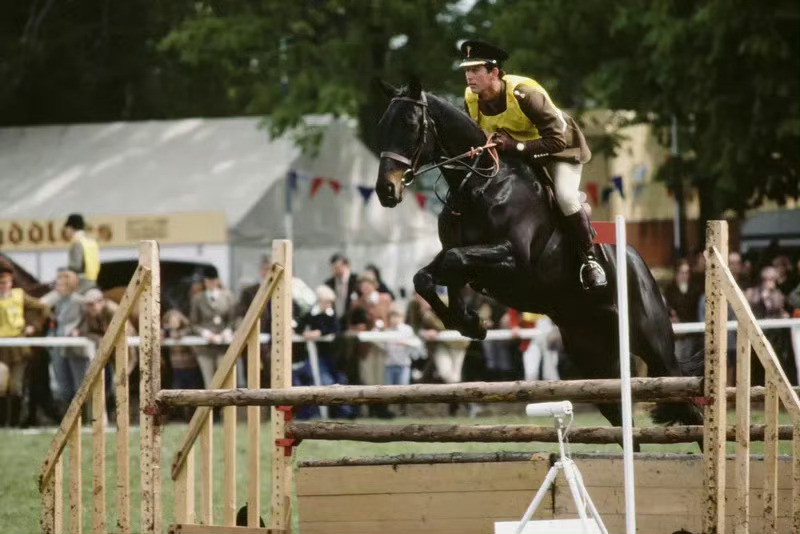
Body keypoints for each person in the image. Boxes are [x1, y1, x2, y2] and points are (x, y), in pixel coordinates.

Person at [458, 40, 601, 290]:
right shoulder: (471, 98)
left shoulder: (526, 94)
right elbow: (480, 136)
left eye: (475, 70)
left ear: (494, 72)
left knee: (566, 198)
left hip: (560, 151)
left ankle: (590, 259)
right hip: (517, 154)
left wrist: (516, 147)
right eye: (467, 70)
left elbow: (557, 140)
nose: (469, 76)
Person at [0, 259, 49, 426]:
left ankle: (13, 423)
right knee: (1, 384)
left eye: (5, 282)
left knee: (15, 386)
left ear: (11, 282)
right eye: (0, 283)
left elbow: (42, 308)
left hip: (18, 346)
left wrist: (33, 326)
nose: (3, 286)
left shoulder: (19, 296)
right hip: (1, 346)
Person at [48, 268, 89, 409]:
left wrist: (80, 331)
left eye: (60, 284)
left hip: (75, 348)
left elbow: (87, 321)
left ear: (69, 285)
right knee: (63, 384)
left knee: (79, 383)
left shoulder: (80, 301)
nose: (57, 287)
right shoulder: (59, 302)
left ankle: (82, 416)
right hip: (59, 346)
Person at [189, 265, 235, 388]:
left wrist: (227, 331)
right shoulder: (198, 298)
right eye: (208, 281)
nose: (211, 283)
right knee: (209, 382)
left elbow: (233, 319)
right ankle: (210, 408)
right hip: (205, 347)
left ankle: (225, 408)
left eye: (213, 280)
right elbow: (193, 323)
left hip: (223, 344)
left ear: (218, 280)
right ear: (205, 282)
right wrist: (205, 333)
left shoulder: (228, 296)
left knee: (224, 380)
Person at [63, 213, 101, 293]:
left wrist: (64, 274)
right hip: (93, 281)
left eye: (67, 228)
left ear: (71, 228)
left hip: (81, 284)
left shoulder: (76, 242)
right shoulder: (91, 241)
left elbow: (75, 266)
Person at [325, 253, 359, 328]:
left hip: (352, 321)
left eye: (338, 267)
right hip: (335, 321)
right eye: (333, 267)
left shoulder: (356, 281)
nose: (335, 270)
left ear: (346, 265)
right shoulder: (329, 283)